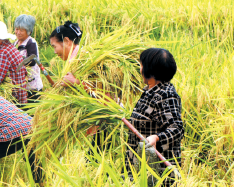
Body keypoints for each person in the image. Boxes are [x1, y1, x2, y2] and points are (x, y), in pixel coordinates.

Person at [49, 21, 111, 162]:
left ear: (66, 41)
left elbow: (102, 90)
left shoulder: (84, 59)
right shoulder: (74, 60)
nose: (54, 51)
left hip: (104, 118)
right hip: (96, 119)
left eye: (54, 46)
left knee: (98, 162)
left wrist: (76, 83)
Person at [125, 48, 183, 186]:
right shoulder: (150, 92)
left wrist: (157, 138)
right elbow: (143, 121)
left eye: (141, 65)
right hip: (140, 166)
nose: (140, 69)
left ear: (149, 69)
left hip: (157, 172)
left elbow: (177, 128)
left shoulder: (166, 95)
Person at [13, 14, 43, 102]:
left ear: (29, 31)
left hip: (31, 87)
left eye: (21, 30)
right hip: (20, 86)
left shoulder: (31, 43)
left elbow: (32, 61)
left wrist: (15, 63)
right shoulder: (15, 43)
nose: (18, 32)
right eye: (17, 29)